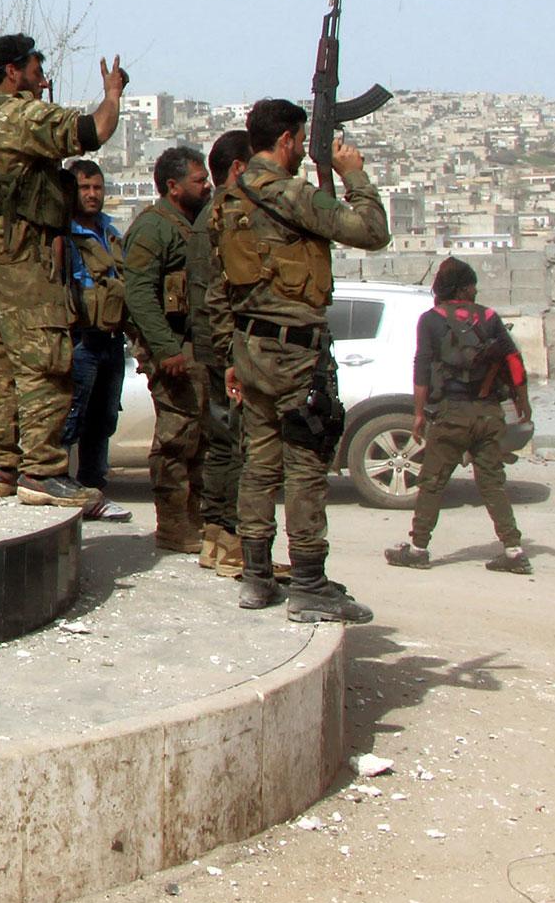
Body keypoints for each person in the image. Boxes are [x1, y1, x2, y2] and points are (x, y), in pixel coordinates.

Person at [211, 97, 389, 621]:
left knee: (259, 464)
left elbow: (219, 288)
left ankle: (257, 575)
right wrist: (353, 175)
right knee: (305, 461)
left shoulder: (228, 198)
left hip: (249, 346)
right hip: (293, 348)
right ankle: (309, 580)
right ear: (287, 140)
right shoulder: (290, 194)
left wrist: (229, 354)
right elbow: (372, 231)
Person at [0, 35, 128, 506]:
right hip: (23, 250)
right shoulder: (22, 117)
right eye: (35, 67)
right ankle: (42, 471)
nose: (40, 75)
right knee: (45, 358)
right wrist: (112, 95)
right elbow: (93, 131)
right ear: (12, 71)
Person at [385, 256, 533, 574]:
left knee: (432, 483)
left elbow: (421, 367)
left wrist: (418, 414)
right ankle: (514, 550)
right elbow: (514, 361)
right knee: (492, 483)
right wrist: (523, 401)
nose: (476, 289)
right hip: (488, 413)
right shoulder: (490, 317)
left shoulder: (430, 320)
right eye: (473, 284)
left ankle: (418, 549)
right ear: (465, 288)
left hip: (450, 414)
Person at [122, 146, 213, 554]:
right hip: (173, 349)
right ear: (173, 187)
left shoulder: (193, 225)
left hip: (196, 346)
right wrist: (165, 349)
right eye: (199, 180)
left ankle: (198, 520)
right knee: (176, 438)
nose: (206, 185)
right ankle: (174, 524)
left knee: (201, 438)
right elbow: (139, 294)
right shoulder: (153, 229)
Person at [195, 129, 252, 577]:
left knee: (219, 445)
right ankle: (230, 540)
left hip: (215, 345)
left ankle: (216, 537)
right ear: (238, 169)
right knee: (236, 446)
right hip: (229, 347)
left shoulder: (207, 216)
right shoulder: (228, 216)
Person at [62, 159, 132, 520]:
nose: (92, 194)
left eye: (97, 187)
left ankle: (93, 489)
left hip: (110, 339)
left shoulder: (109, 232)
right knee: (70, 417)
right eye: (84, 188)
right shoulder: (63, 235)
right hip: (80, 339)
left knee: (102, 420)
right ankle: (58, 485)